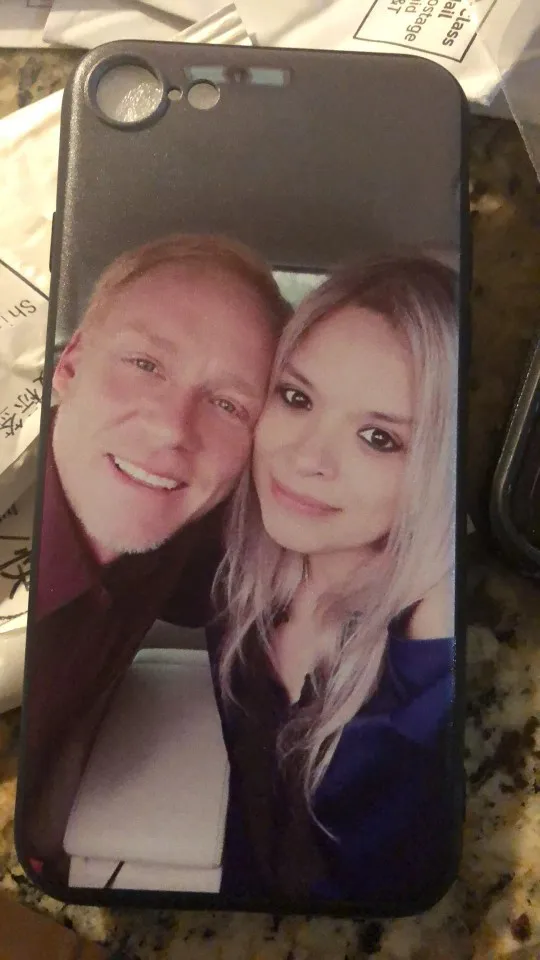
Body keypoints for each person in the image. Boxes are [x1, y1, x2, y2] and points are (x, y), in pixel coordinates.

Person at [18, 233, 290, 879]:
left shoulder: (184, 526)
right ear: (69, 365)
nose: (173, 428)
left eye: (228, 404)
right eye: (145, 363)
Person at [205, 254, 460, 907]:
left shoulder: (438, 658)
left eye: (379, 438)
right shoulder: (239, 582)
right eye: (296, 398)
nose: (306, 458)